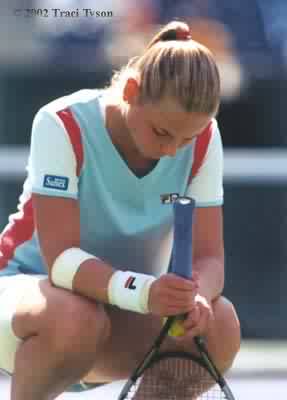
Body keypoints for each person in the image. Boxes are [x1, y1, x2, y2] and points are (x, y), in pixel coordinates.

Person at [0, 20, 240, 400]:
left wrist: (195, 296)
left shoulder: (206, 138)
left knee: (220, 324)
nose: (172, 151)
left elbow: (209, 258)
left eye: (187, 139)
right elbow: (60, 261)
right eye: (162, 133)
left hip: (116, 306)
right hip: (26, 304)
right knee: (74, 318)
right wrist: (146, 292)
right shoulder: (62, 122)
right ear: (131, 91)